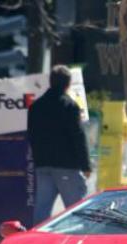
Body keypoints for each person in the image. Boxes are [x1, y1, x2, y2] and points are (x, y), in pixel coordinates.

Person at [27, 65, 92, 224]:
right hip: (67, 166)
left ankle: (36, 243)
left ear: (50, 82)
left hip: (43, 165)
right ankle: (78, 242)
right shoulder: (70, 106)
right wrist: (86, 165)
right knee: (77, 209)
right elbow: (78, 137)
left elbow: (31, 135)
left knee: (42, 210)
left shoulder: (35, 106)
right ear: (68, 85)